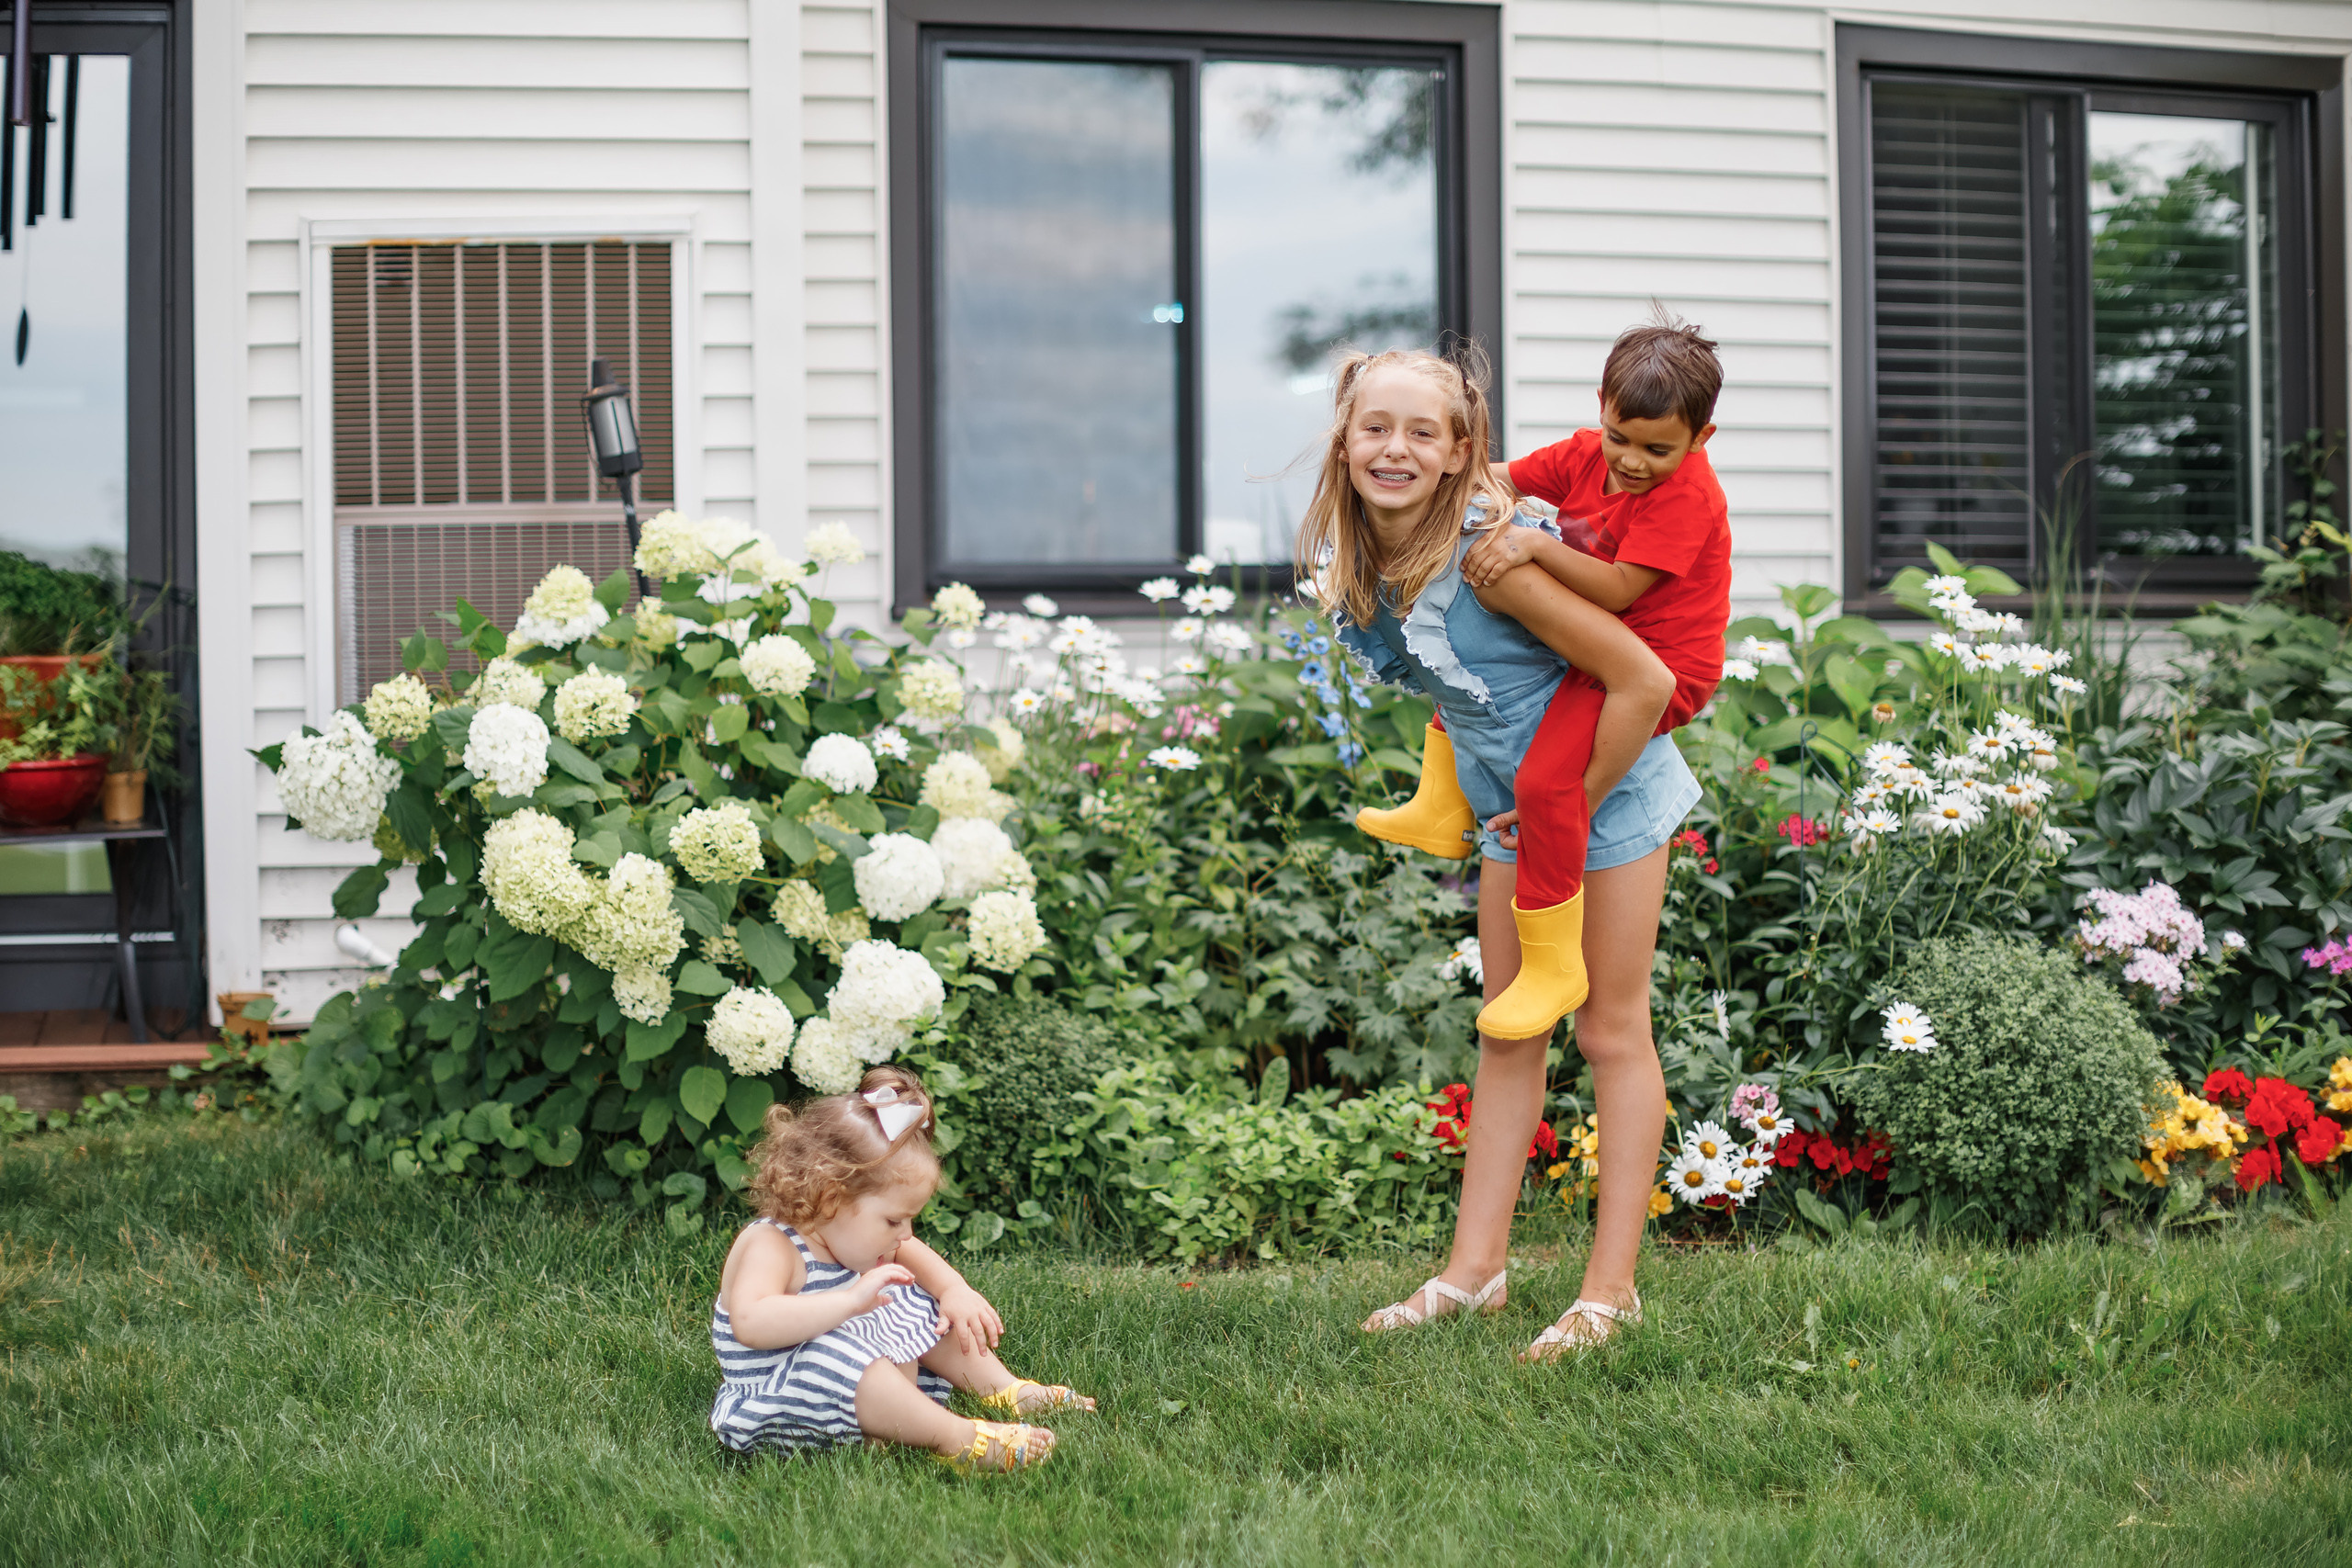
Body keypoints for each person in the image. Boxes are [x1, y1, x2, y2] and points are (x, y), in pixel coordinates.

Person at [1293, 346, 1690, 1359]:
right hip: (1523, 811)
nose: (1394, 448)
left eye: (1422, 432)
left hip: (1607, 787)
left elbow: (1640, 680)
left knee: (1608, 1029)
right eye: (1375, 427)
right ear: (1343, 439)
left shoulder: (1494, 560)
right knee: (1508, 1032)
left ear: (1462, 451)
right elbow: (1454, 690)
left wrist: (1570, 805)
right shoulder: (1368, 563)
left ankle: (1609, 1294)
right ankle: (1475, 1275)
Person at [707, 1065, 1094, 1472]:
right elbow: (750, 1322)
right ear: (829, 1199)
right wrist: (848, 1302)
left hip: (862, 1391)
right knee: (839, 1346)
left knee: (907, 1292)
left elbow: (911, 1253)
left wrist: (952, 1289)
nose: (905, 1233)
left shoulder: (848, 1237)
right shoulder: (771, 1245)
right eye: (894, 1221)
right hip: (788, 1392)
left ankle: (1003, 1389)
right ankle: (957, 1439)